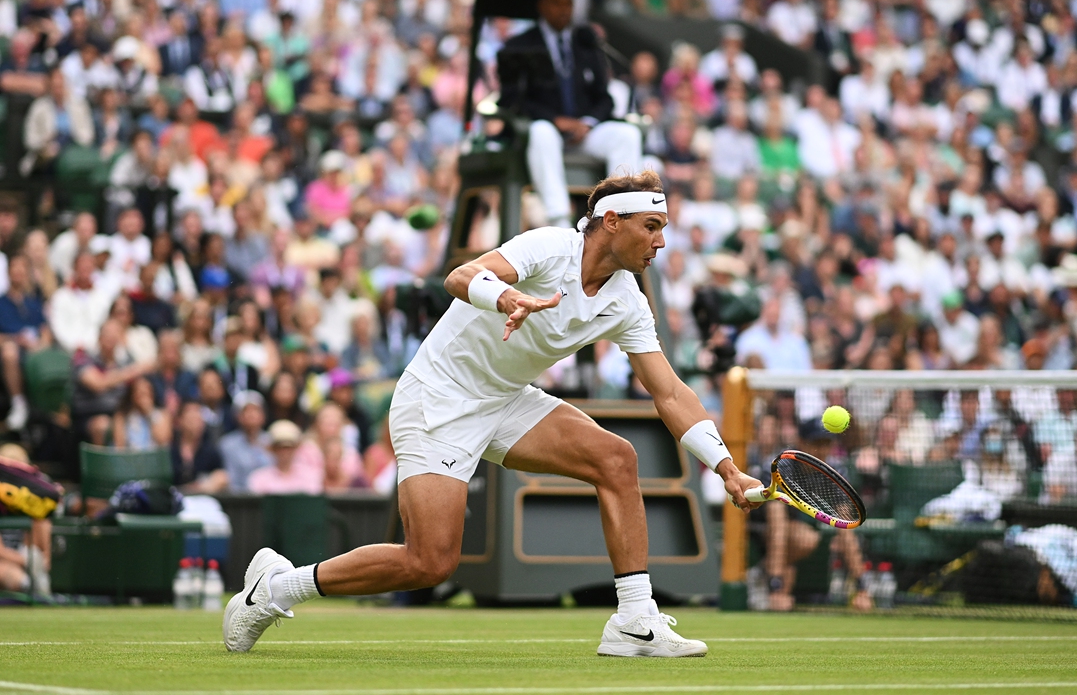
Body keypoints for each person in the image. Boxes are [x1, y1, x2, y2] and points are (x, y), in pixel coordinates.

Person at [224, 170, 761, 656]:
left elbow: (669, 392)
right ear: (611, 221)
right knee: (429, 563)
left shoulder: (628, 300)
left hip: (505, 398)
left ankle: (635, 621)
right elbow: (461, 276)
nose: (660, 242)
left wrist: (726, 468)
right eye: (650, 226)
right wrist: (504, 297)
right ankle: (274, 589)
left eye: (663, 228)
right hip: (438, 397)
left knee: (616, 458)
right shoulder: (551, 247)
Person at [497, 0, 643, 228]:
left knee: (628, 135)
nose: (564, 10)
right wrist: (555, 120)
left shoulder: (585, 43)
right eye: (556, 3)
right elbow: (512, 99)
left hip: (583, 134)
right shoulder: (520, 44)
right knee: (541, 131)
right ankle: (560, 220)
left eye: (568, 3)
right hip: (546, 133)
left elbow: (604, 98)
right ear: (541, 6)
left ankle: (619, 217)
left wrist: (587, 123)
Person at [1, 255, 52, 430]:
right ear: (8, 272)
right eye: (15, 267)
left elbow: (45, 331)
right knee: (9, 351)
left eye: (22, 268)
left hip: (35, 353)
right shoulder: (2, 303)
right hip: (12, 352)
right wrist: (16, 340)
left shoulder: (33, 303)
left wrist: (39, 345)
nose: (19, 272)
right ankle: (18, 402)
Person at [247, 419, 322, 495]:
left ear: (295, 448)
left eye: (289, 447)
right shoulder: (259, 479)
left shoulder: (311, 476)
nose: (285, 452)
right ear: (273, 449)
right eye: (280, 447)